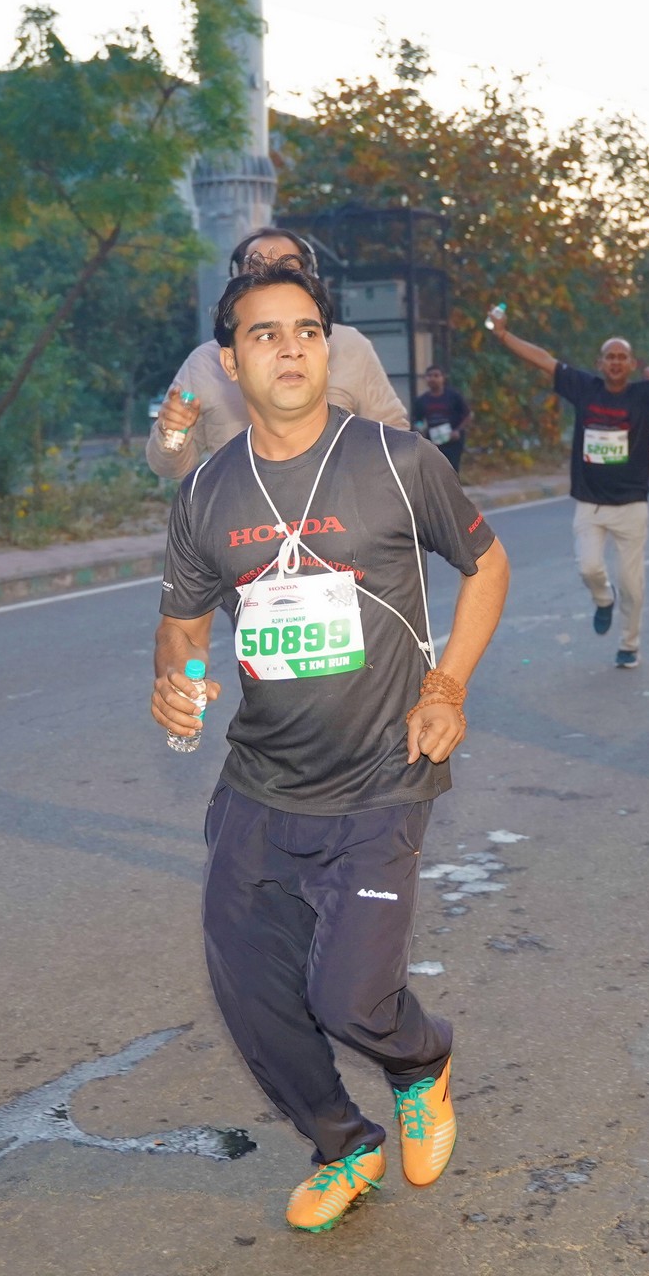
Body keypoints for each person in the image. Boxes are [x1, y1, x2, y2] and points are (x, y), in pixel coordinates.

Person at [152, 264, 510, 1234]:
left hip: (383, 777)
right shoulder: (207, 490)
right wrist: (175, 682)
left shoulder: (397, 461)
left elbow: (487, 566)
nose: (291, 348)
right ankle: (342, 1144)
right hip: (260, 784)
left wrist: (446, 686)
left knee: (351, 997)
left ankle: (420, 1061)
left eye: (307, 330)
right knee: (250, 992)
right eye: (264, 333)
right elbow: (182, 625)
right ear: (230, 363)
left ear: (329, 347)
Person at [489, 304, 649, 668]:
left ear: (632, 364)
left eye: (621, 357)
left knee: (632, 585)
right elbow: (542, 359)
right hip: (591, 503)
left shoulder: (646, 394)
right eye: (609, 357)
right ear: (599, 363)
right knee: (589, 568)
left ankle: (629, 645)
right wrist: (503, 335)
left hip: (631, 505)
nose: (615, 362)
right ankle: (602, 599)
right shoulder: (585, 387)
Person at [149, 231, 408, 479]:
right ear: (230, 363)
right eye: (257, 267)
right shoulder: (203, 364)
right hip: (240, 507)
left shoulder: (350, 346)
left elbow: (393, 438)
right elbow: (170, 468)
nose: (292, 351)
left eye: (287, 266)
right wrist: (172, 432)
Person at [411, 365, 472, 474]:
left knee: (451, 470)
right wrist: (421, 431)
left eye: (436, 376)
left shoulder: (454, 396)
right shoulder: (421, 400)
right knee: (435, 471)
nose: (433, 379)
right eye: (429, 376)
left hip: (453, 441)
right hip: (433, 442)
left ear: (443, 378)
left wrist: (457, 430)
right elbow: (417, 420)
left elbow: (467, 415)